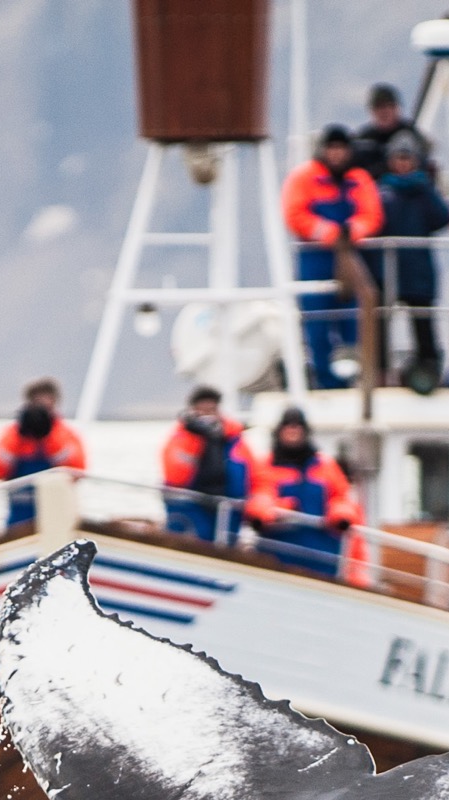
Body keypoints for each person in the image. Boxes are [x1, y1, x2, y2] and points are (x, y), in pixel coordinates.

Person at [279, 125, 383, 390]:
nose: (337, 154)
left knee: (352, 321)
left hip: (351, 259)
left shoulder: (358, 179)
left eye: (342, 148)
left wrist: (354, 231)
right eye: (332, 148)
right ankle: (324, 379)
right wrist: (328, 232)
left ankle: (350, 376)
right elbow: (294, 214)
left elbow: (372, 215)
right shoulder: (304, 178)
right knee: (317, 322)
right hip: (315, 259)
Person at [370, 134, 449, 390]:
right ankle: (380, 369)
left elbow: (442, 218)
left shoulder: (423, 191)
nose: (403, 164)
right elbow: (374, 222)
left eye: (408, 158)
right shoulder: (382, 192)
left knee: (422, 320)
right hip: (387, 268)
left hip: (417, 268)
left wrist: (427, 187)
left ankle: (429, 365)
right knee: (381, 319)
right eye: (398, 158)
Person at [247, 406, 361, 579]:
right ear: (280, 431)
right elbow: (261, 494)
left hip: (322, 556)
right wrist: (277, 510)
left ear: (305, 432)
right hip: (277, 555)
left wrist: (341, 515)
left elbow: (341, 497)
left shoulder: (325, 465)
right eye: (288, 427)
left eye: (297, 427)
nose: (293, 431)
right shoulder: (266, 464)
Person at [0, 376, 86, 525]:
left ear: (55, 402)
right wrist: (19, 437)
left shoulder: (65, 435)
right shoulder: (12, 435)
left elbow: (77, 472)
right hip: (18, 519)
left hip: (57, 517)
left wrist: (49, 437)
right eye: (37, 401)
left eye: (47, 402)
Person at [160, 385, 251, 544]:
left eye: (211, 409)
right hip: (190, 506)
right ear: (193, 410)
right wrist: (198, 438)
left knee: (224, 545)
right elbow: (175, 475)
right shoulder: (181, 438)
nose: (207, 415)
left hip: (227, 508)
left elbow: (253, 473)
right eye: (202, 410)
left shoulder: (233, 439)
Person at [350, 83, 430, 179]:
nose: (384, 112)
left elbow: (422, 166)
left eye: (388, 107)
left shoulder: (412, 135)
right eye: (379, 108)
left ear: (397, 108)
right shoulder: (363, 140)